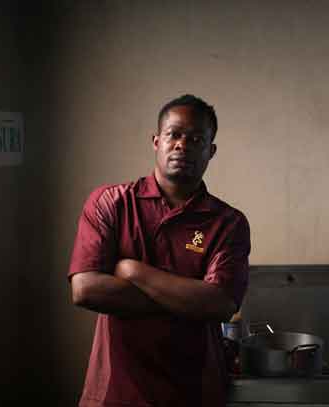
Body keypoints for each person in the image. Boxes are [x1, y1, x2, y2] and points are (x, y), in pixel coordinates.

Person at [68, 94, 251, 407]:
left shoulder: (228, 222)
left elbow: (220, 304)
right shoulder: (111, 203)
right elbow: (85, 290)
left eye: (196, 139)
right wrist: (188, 299)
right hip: (115, 394)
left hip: (194, 392)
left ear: (211, 151)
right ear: (156, 141)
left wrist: (134, 271)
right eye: (173, 134)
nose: (182, 145)